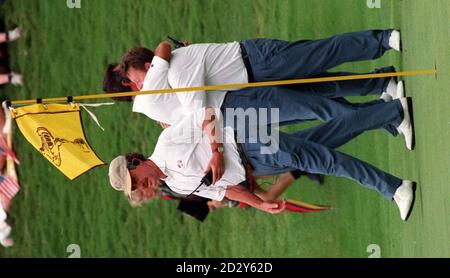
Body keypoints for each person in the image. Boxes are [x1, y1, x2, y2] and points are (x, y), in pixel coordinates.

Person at [109, 96, 416, 220]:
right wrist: (258, 202)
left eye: (135, 179)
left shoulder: (166, 144)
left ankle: (394, 188)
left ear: (135, 163)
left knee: (327, 162)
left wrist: (215, 152)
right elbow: (222, 189)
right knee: (323, 143)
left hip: (248, 141)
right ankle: (388, 113)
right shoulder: (175, 185)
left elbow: (206, 114)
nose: (141, 184)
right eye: (135, 188)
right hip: (258, 164)